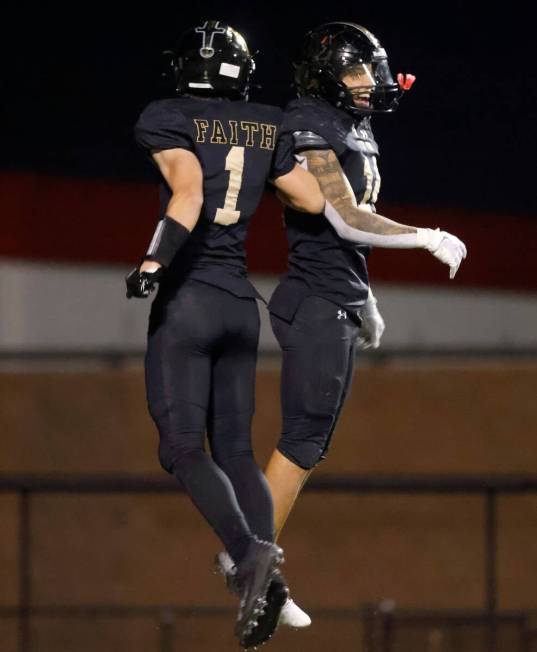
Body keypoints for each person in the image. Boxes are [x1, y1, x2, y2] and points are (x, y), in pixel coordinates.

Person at [218, 21, 467, 628]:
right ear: (326, 75)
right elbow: (347, 217)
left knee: (310, 444)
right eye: (354, 72)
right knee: (301, 443)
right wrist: (427, 236)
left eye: (368, 71)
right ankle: (247, 559)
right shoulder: (309, 124)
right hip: (315, 300)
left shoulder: (349, 125)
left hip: (334, 295)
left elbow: (347, 238)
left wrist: (366, 296)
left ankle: (250, 556)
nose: (367, 83)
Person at [125, 20, 326, 648]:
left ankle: (249, 560)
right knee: (237, 450)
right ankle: (274, 585)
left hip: (191, 302)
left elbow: (187, 193)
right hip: (243, 304)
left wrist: (154, 262)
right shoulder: (267, 121)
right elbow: (315, 201)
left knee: (183, 448)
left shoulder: (167, 114)